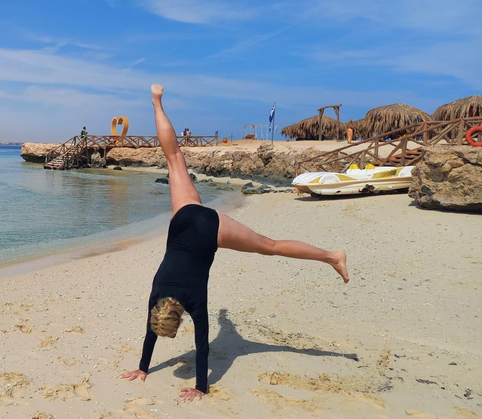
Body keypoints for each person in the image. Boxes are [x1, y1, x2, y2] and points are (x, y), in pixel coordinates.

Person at [120, 84, 349, 402]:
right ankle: (156, 101)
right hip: (187, 217)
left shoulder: (194, 302)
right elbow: (152, 330)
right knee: (174, 159)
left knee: (269, 246)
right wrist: (143, 366)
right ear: (161, 308)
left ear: (179, 315)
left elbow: (203, 346)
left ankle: (332, 256)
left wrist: (200, 386)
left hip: (212, 230)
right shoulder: (158, 292)